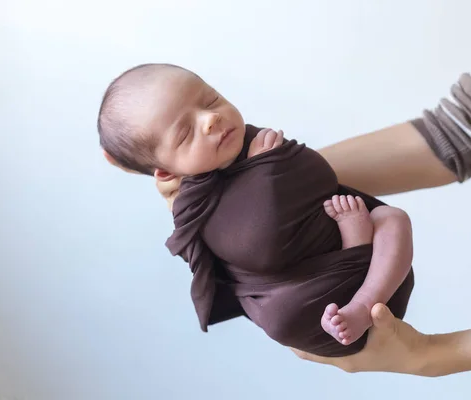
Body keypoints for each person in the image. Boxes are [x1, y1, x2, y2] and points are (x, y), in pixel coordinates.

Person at [102, 70, 471, 375]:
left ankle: (360, 281)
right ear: (165, 170)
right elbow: (258, 246)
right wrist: (269, 172)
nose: (210, 117)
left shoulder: (253, 145)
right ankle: (355, 252)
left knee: (391, 220)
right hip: (309, 304)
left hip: (364, 294)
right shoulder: (193, 203)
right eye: (184, 133)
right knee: (282, 317)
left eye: (211, 98)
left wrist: (430, 356)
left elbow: (308, 180)